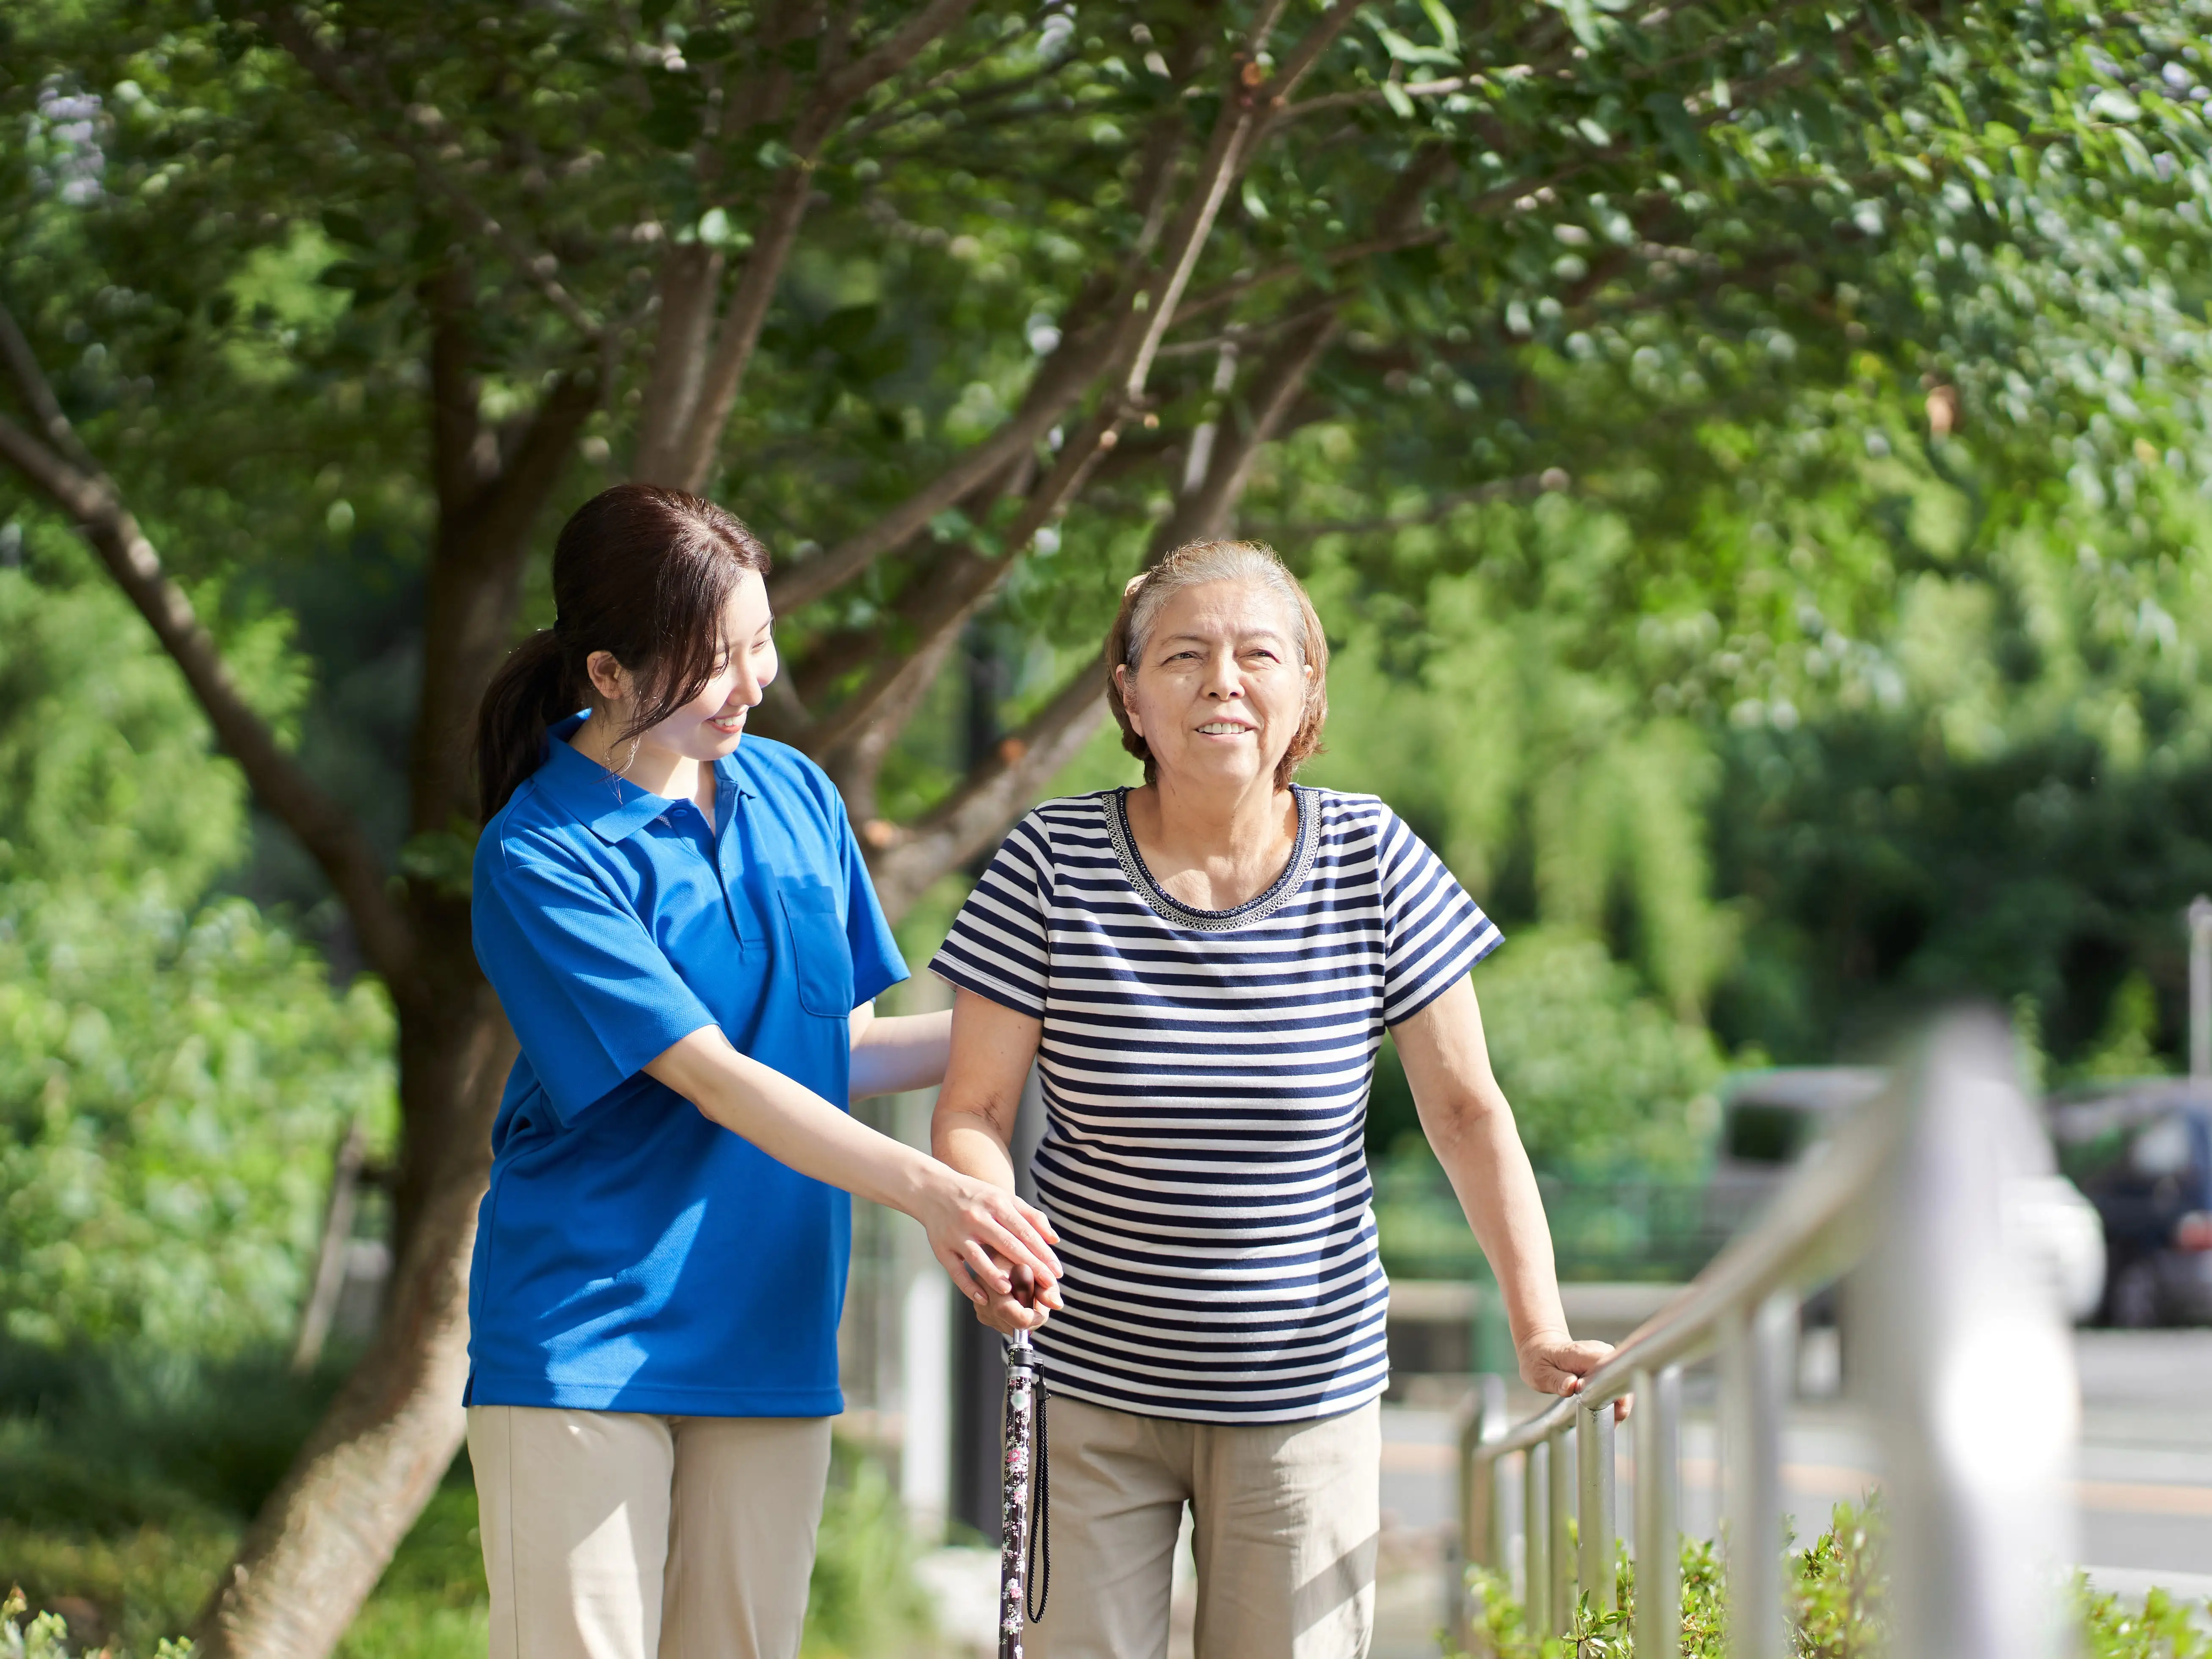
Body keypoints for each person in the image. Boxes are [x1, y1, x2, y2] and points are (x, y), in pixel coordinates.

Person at [929, 539, 1613, 1659]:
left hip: (1306, 1396)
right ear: (1129, 695)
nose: (1223, 682)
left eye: (1258, 655)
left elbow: (1466, 1113)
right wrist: (990, 1225)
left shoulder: (1372, 859)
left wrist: (1539, 1328)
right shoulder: (1049, 864)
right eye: (1184, 656)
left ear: (1307, 694)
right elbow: (976, 1111)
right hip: (1090, 1383)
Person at [464, 482, 1062, 1659]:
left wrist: (1046, 1022)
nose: (752, 685)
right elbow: (717, 1080)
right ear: (608, 674)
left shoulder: (797, 795)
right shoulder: (541, 855)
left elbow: (821, 1052)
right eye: (712, 661)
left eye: (760, 645)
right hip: (585, 1329)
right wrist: (937, 1191)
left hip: (771, 1325)